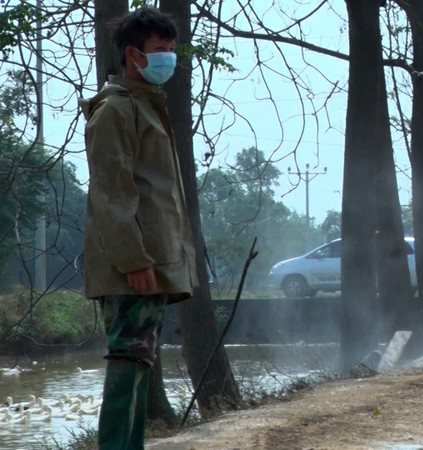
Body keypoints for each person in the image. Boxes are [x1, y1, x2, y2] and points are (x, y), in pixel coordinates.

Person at [79, 7, 196, 449]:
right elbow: (113, 194)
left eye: (171, 50)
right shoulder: (115, 110)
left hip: (151, 262)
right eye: (160, 51)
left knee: (138, 367)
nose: (169, 59)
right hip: (134, 266)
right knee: (127, 367)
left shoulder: (146, 106)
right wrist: (133, 259)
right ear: (133, 54)